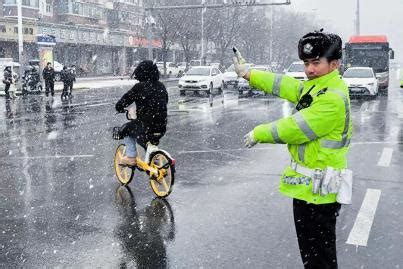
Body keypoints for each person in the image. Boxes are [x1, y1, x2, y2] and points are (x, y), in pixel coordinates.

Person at [233, 30, 352, 268]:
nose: (309, 69)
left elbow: (296, 128)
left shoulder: (332, 98)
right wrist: (249, 74)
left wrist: (260, 133)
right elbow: (286, 85)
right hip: (310, 190)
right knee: (314, 256)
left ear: (335, 64)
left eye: (316, 63)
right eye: (306, 63)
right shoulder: (318, 87)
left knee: (320, 259)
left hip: (319, 194)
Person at [115, 60, 168, 166]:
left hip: (145, 124)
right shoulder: (161, 86)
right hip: (161, 125)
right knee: (145, 139)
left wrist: (119, 107)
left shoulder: (139, 87)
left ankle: (131, 157)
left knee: (126, 130)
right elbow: (165, 101)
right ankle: (153, 156)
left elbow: (125, 100)